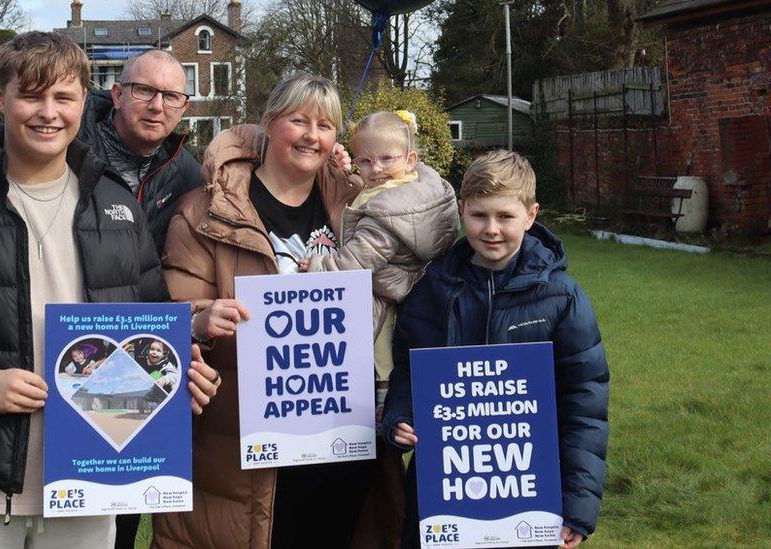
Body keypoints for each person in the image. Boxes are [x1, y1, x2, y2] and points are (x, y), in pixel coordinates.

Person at [0, 31, 221, 548]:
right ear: (0, 97)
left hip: (92, 478)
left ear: (82, 104)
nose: (47, 112)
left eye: (63, 97)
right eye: (31, 94)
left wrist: (180, 365)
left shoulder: (116, 208)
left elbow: (150, 319)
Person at [157, 73, 398, 549]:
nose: (312, 135)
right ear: (268, 124)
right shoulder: (204, 212)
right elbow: (173, 310)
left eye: (325, 125)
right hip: (247, 440)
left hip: (343, 428)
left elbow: (429, 207)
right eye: (298, 120)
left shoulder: (358, 205)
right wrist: (200, 320)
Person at [380, 150, 610, 549]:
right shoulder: (431, 290)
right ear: (460, 209)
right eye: (479, 215)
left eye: (505, 217)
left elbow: (584, 405)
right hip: (442, 491)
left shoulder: (562, 297)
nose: (491, 229)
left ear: (531, 215)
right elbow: (407, 373)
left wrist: (577, 504)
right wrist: (399, 416)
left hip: (527, 490)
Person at [298, 109, 460, 422]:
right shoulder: (419, 186)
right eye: (365, 161)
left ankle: (383, 401)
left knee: (379, 342)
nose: (377, 169)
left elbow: (357, 262)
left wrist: (319, 264)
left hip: (388, 294)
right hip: (416, 288)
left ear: (410, 159)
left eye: (387, 159)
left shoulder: (386, 213)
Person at [77, 49, 204, 253]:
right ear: (117, 95)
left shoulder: (191, 178)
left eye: (171, 96)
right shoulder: (70, 154)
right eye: (144, 90)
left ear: (183, 109)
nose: (157, 106)